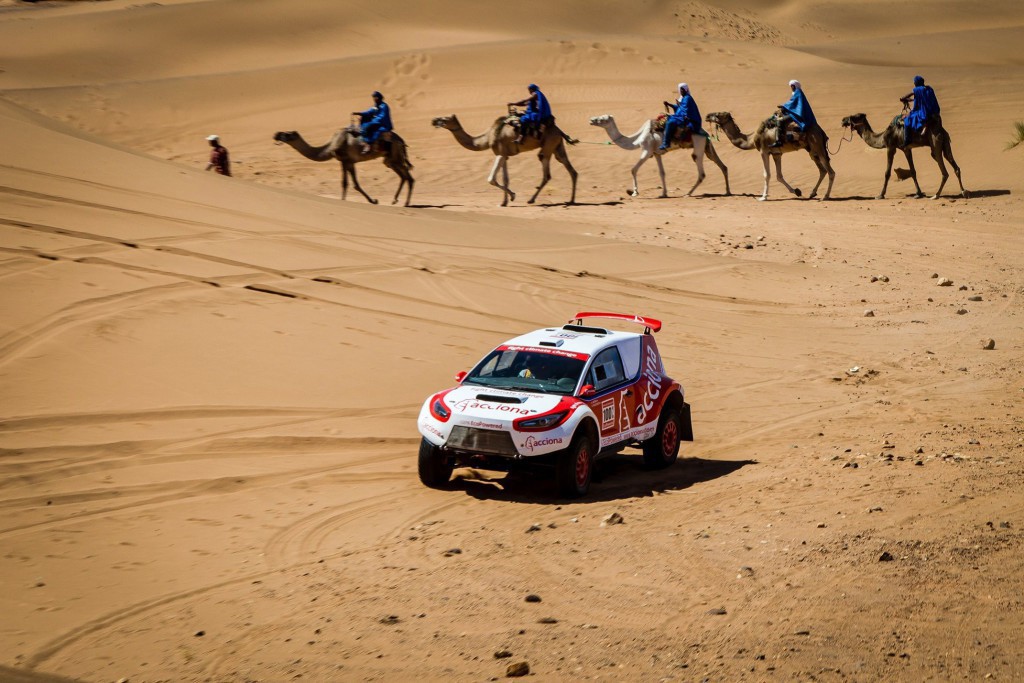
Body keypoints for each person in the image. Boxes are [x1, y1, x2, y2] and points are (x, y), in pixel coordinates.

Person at [658, 82, 702, 153]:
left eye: (682, 90)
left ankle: (666, 143)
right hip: (681, 116)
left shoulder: (687, 98)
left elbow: (685, 110)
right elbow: (680, 108)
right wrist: (669, 104)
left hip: (688, 119)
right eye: (680, 90)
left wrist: (679, 108)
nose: (681, 91)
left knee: (670, 122)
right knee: (668, 118)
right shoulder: (684, 98)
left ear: (686, 90)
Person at [774, 79, 817, 147]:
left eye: (792, 86)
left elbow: (792, 102)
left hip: (797, 114)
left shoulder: (798, 92)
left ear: (795, 86)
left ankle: (779, 140)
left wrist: (784, 106)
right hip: (796, 112)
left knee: (781, 121)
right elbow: (793, 103)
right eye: (791, 86)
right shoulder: (798, 92)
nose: (791, 88)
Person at [900, 75, 941, 146]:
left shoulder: (917, 89)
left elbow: (907, 96)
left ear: (916, 83)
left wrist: (903, 98)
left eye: (914, 82)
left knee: (907, 120)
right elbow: (923, 98)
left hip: (926, 113)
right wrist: (913, 99)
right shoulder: (929, 88)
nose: (914, 84)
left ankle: (907, 140)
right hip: (935, 111)